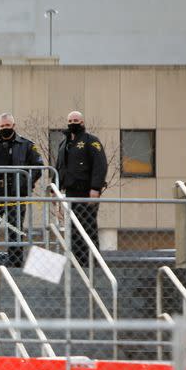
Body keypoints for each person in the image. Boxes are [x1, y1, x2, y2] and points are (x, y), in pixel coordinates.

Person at [0, 113, 43, 267]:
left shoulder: (27, 145)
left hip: (15, 196)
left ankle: (16, 263)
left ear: (13, 125)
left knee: (15, 230)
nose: (5, 128)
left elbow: (38, 167)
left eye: (8, 126)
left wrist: (25, 185)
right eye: (2, 126)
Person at [56, 110, 108, 266]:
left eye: (76, 120)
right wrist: (55, 188)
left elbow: (100, 165)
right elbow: (59, 167)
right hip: (70, 192)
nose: (73, 123)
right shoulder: (63, 144)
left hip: (87, 192)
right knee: (73, 228)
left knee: (88, 226)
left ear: (82, 122)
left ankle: (93, 263)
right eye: (70, 120)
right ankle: (77, 262)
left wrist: (95, 188)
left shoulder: (91, 141)